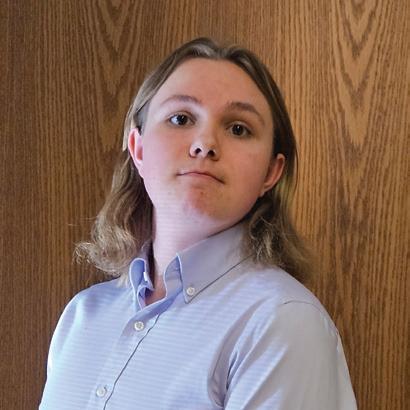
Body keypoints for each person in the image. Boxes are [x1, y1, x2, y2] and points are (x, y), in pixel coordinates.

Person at [40, 37, 357, 409]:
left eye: (238, 128)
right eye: (181, 119)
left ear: (271, 172)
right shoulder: (82, 317)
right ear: (138, 149)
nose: (205, 144)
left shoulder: (282, 322)